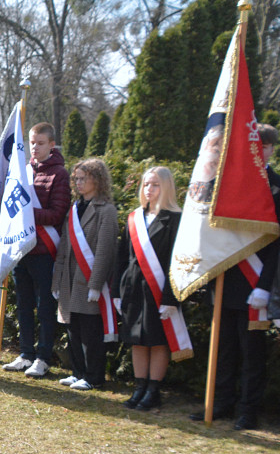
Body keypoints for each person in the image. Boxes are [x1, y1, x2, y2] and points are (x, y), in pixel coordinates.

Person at [190, 124, 280, 430]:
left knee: (252, 352)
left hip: (256, 282)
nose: (261, 150)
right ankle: (221, 403)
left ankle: (248, 409)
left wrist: (265, 287)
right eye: (256, 145)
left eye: (266, 146)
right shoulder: (225, 184)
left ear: (271, 150)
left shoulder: (278, 188)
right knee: (224, 348)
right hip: (226, 277)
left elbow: (277, 245)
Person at [3, 122, 71, 378]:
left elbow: (57, 213)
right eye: (32, 142)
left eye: (40, 143)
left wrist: (27, 214)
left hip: (45, 250)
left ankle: (43, 357)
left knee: (44, 307)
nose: (35, 147)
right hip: (23, 248)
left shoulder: (59, 174)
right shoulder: (24, 171)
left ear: (52, 145)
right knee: (23, 305)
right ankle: (25, 353)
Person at [113, 167, 183, 410]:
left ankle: (153, 390)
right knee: (137, 341)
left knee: (157, 341)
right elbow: (121, 258)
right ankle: (139, 387)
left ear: (166, 188)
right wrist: (116, 292)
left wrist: (171, 299)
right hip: (133, 288)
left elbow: (179, 262)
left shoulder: (175, 219)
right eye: (145, 184)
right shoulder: (134, 218)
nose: (149, 189)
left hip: (159, 289)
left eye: (155, 185)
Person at [51, 158, 117, 391]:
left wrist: (96, 283)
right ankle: (78, 371)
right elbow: (64, 248)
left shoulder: (106, 211)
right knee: (73, 330)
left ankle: (94, 376)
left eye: (83, 178)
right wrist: (57, 279)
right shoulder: (74, 208)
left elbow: (104, 250)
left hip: (88, 279)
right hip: (69, 280)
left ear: (97, 180)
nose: (78, 183)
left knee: (90, 333)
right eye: (76, 178)